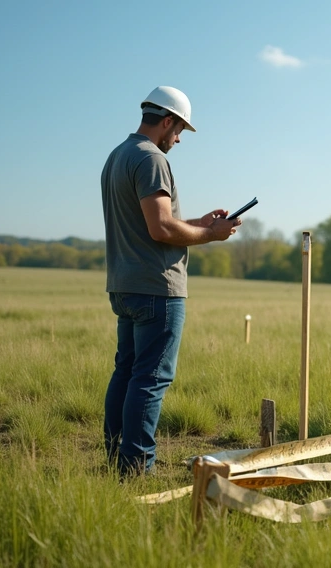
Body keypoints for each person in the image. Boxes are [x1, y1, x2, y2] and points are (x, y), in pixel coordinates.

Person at [100, 86, 240, 476]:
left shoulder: (118, 156)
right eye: (179, 131)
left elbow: (150, 222)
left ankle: (116, 461)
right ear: (167, 121)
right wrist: (213, 236)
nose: (178, 139)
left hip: (124, 284)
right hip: (157, 288)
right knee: (149, 380)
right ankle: (136, 469)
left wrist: (199, 224)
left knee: (126, 373)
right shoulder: (152, 159)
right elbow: (161, 229)